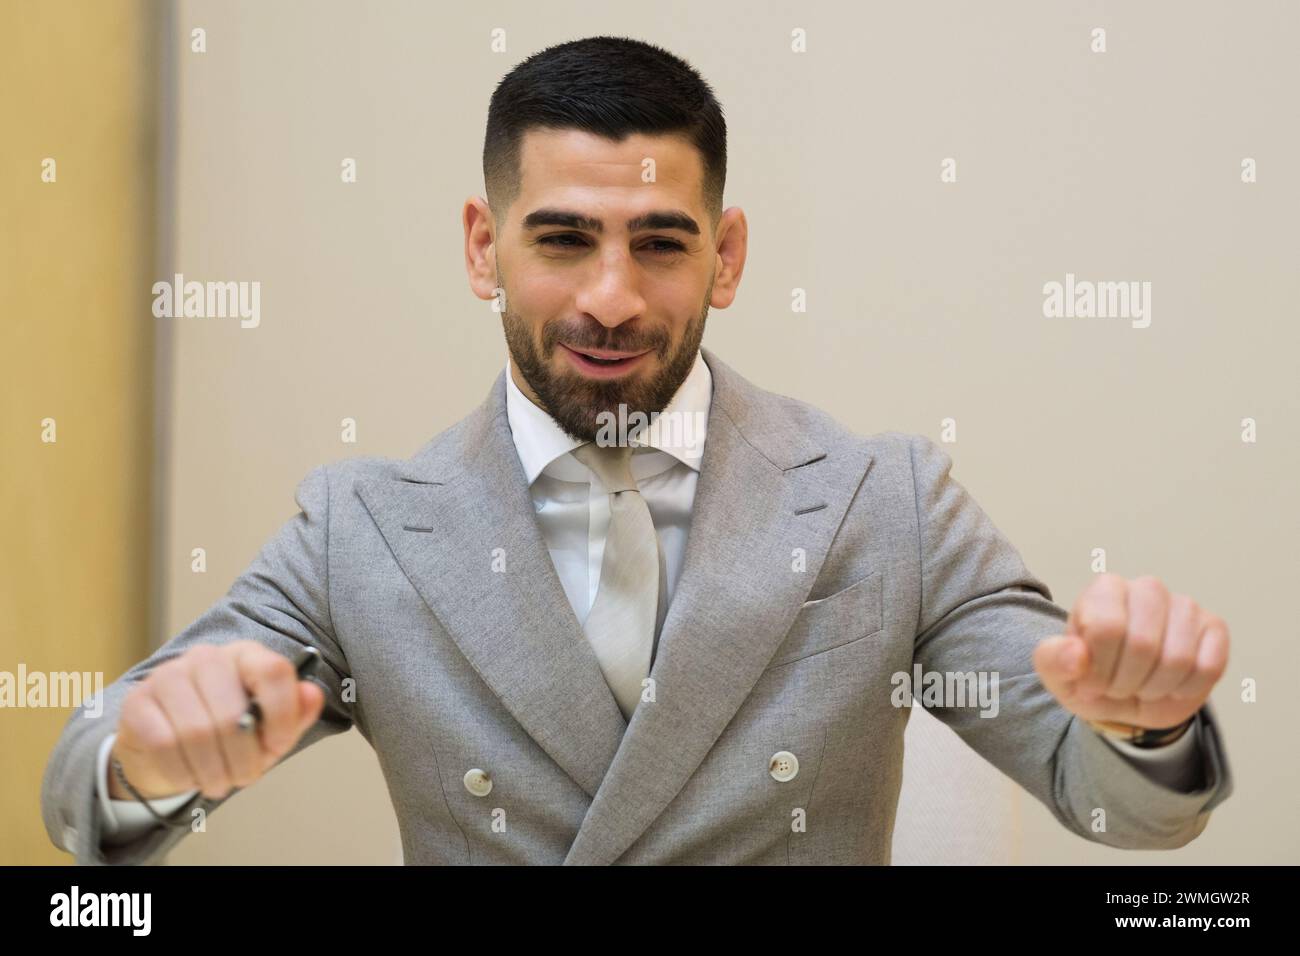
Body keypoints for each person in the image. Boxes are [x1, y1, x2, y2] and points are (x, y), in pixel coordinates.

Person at [42, 35, 1232, 866]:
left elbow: (1123, 808)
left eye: (660, 244)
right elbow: (84, 795)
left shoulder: (887, 501)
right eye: (562, 237)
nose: (610, 298)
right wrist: (146, 753)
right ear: (482, 247)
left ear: (725, 256)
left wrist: (1141, 723)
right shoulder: (363, 529)